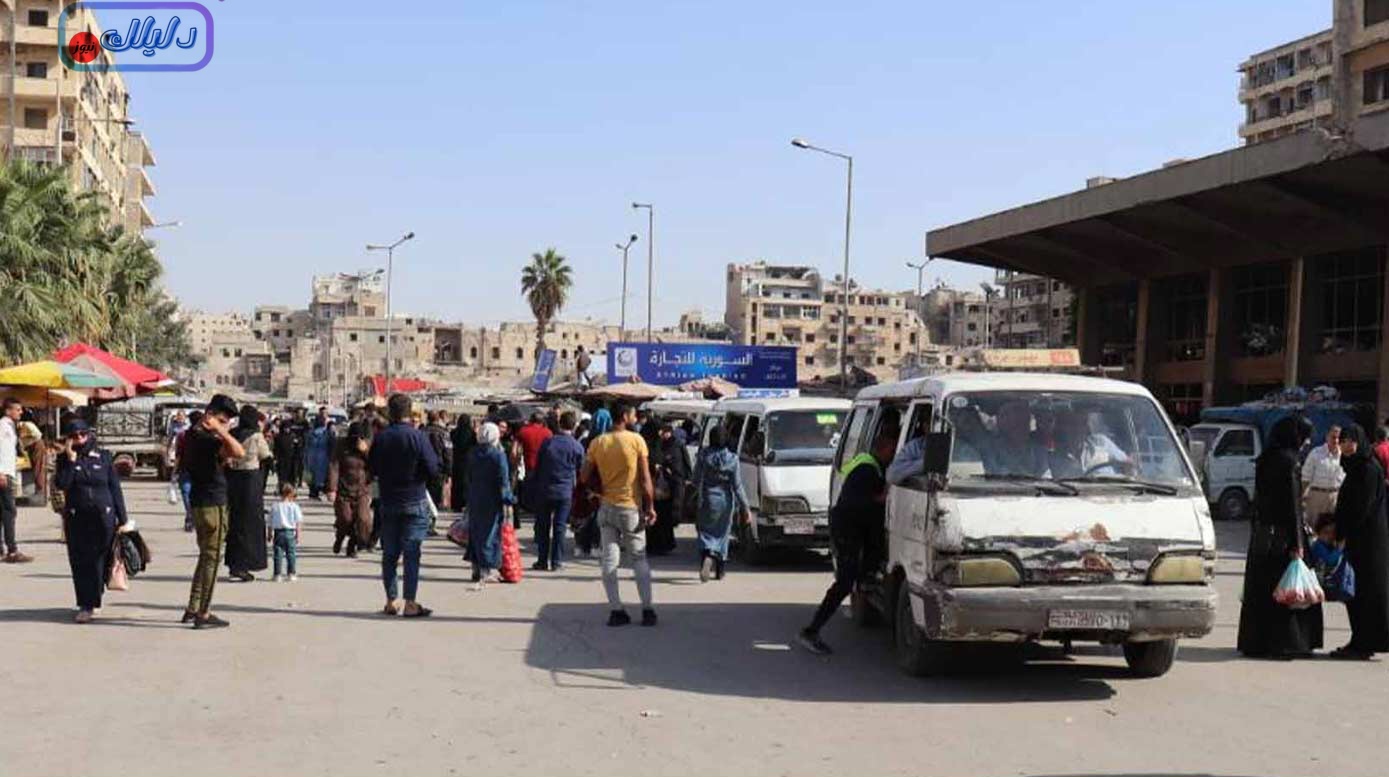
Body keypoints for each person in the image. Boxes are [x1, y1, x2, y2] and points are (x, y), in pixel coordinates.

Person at [799, 422, 898, 655]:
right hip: (847, 531)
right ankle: (811, 631)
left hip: (848, 528)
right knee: (844, 583)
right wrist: (882, 499)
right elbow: (861, 505)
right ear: (884, 449)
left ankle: (862, 585)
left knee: (852, 579)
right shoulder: (867, 470)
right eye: (893, 451)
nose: (893, 456)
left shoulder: (868, 463)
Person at [1237, 416, 1323, 659]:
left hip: (1264, 535)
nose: (1307, 442)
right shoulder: (1289, 462)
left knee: (1263, 589)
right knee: (1288, 589)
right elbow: (1292, 506)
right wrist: (1298, 542)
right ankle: (1288, 643)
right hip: (1284, 537)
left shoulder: (1265, 459)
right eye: (1304, 436)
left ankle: (1257, 643)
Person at [580, 403, 658, 627]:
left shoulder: (598, 442)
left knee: (609, 560)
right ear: (624, 416)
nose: (635, 417)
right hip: (630, 507)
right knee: (639, 558)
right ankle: (647, 610)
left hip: (606, 507)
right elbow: (645, 479)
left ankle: (616, 610)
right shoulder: (636, 441)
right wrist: (650, 506)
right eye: (633, 414)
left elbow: (584, 476)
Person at [366, 394, 440, 618]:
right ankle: (410, 603)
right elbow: (433, 467)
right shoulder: (418, 437)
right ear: (410, 412)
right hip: (414, 498)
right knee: (411, 553)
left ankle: (391, 600)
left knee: (389, 554)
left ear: (390, 412)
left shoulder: (382, 437)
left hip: (389, 500)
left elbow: (372, 467)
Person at [53, 419, 128, 623]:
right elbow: (62, 484)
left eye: (82, 434)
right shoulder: (64, 459)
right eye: (74, 436)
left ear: (89, 434)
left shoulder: (103, 456)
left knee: (99, 561)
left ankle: (95, 596)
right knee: (80, 561)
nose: (79, 439)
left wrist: (123, 518)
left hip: (103, 517)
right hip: (77, 517)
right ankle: (86, 604)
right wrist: (70, 460)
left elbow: (114, 488)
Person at [183, 394, 246, 630]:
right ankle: (204, 612)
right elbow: (239, 452)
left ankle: (193, 607)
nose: (225, 425)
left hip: (199, 501)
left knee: (205, 556)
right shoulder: (206, 438)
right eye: (222, 420)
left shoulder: (192, 434)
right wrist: (222, 432)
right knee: (212, 559)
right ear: (210, 415)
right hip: (213, 503)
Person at [1331, 423, 1389, 659]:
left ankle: (1364, 643)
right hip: (1361, 540)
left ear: (1360, 441)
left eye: (1350, 441)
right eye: (1342, 441)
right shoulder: (1357, 468)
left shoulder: (1367, 469)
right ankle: (1361, 640)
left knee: (1365, 592)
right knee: (1357, 592)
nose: (1346, 446)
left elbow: (1360, 509)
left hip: (1367, 542)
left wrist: (1343, 534)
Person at [693, 425, 750, 582]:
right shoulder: (733, 459)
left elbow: (695, 479)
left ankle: (707, 556)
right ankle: (720, 570)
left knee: (705, 532)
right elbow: (737, 486)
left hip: (706, 499)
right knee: (723, 534)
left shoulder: (703, 455)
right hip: (725, 501)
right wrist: (745, 508)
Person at [532, 411, 585, 571]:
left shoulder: (548, 443)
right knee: (560, 527)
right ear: (574, 426)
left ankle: (542, 561)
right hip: (564, 491)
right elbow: (581, 471)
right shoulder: (576, 446)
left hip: (545, 489)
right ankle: (556, 562)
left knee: (543, 526)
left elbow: (538, 467)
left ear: (560, 423)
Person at [225, 404, 272, 582]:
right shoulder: (256, 436)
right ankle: (245, 565)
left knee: (235, 522)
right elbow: (266, 456)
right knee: (250, 523)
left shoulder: (232, 433)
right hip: (251, 481)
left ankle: (234, 564)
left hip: (233, 479)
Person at [466, 422, 514, 585]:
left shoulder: (472, 453)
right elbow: (503, 480)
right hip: (492, 499)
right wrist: (509, 498)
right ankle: (485, 571)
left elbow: (468, 476)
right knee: (489, 534)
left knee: (476, 533)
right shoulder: (497, 455)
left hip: (475, 497)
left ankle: (476, 568)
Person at [326, 423, 373, 558]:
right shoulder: (341, 445)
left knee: (363, 520)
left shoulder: (367, 446)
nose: (356, 440)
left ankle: (353, 545)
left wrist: (365, 451)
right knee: (345, 519)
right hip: (344, 489)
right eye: (354, 437)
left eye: (359, 437)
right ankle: (340, 537)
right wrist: (332, 489)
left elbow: (374, 466)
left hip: (362, 490)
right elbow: (334, 466)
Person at [648, 423, 689, 556]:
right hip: (659, 486)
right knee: (660, 517)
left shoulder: (677, 445)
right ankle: (656, 545)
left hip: (670, 485)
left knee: (665, 517)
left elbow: (684, 466)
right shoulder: (657, 445)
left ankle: (664, 545)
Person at [981, 400, 1049, 477]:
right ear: (1000, 421)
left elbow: (1045, 475)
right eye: (1005, 415)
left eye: (1022, 413)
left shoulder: (1039, 450)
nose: (1018, 419)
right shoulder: (991, 448)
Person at [0, 397, 31, 563]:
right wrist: (1, 472)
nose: (21, 412)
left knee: (3, 511)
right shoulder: (2, 426)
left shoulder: (11, 427)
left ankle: (2, 548)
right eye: (17, 409)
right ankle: (12, 549)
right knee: (9, 511)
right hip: (3, 474)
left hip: (8, 472)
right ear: (8, 411)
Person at [1302, 426, 1344, 526]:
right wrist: (1302, 498)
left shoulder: (1344, 455)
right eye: (1333, 437)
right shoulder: (1315, 453)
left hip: (1335, 497)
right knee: (1313, 526)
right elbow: (1305, 477)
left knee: (1333, 528)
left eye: (1339, 438)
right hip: (1317, 497)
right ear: (1327, 437)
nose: (1336, 440)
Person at [515, 411, 553, 512]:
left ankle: (529, 508)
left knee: (529, 488)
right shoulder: (548, 433)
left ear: (531, 420)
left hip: (529, 464)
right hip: (543, 466)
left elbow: (515, 451)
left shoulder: (523, 431)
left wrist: (516, 464)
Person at [423, 410, 452, 535]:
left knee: (424, 497)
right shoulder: (443, 433)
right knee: (434, 498)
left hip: (423, 468)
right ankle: (430, 525)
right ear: (438, 419)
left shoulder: (421, 431)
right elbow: (448, 452)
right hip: (438, 469)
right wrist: (449, 470)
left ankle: (423, 522)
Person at [267, 483, 303, 582]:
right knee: (291, 554)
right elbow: (298, 522)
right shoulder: (294, 506)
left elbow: (270, 522)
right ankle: (291, 573)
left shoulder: (275, 506)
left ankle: (277, 574)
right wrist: (298, 535)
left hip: (278, 533)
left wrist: (269, 534)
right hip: (290, 532)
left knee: (277, 555)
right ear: (292, 494)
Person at [449, 414, 476, 511]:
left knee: (456, 483)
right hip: (468, 460)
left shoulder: (454, 432)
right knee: (467, 482)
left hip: (457, 460)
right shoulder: (472, 433)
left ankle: (456, 504)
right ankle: (466, 502)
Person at [305, 416, 333, 500]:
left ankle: (312, 492)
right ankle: (320, 490)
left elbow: (306, 445)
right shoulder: (327, 433)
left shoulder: (310, 433)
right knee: (321, 475)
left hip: (311, 455)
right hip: (323, 456)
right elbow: (331, 445)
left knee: (311, 473)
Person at [273, 415, 302, 492]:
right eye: (285, 428)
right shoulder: (278, 437)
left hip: (292, 459)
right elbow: (276, 448)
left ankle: (291, 490)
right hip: (282, 459)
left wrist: (298, 444)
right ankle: (282, 489)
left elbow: (298, 448)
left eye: (288, 428)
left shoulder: (293, 436)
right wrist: (275, 458)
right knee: (282, 476)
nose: (287, 429)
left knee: (291, 475)